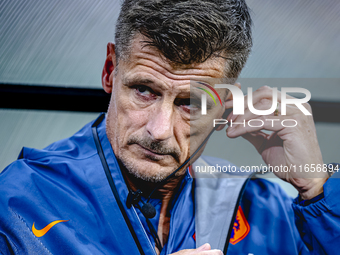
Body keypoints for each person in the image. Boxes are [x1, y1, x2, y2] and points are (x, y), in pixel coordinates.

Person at [0, 0, 339, 254]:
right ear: (109, 71)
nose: (159, 130)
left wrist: (315, 187)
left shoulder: (267, 212)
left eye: (190, 103)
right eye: (144, 90)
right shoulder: (19, 203)